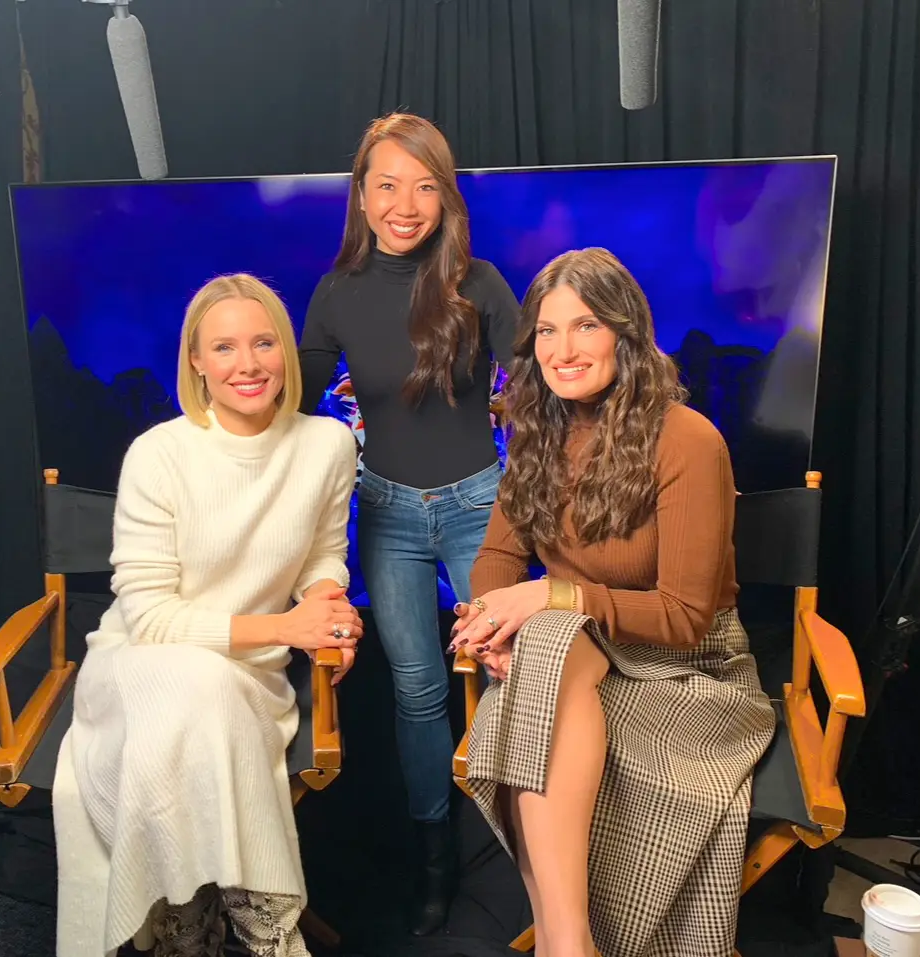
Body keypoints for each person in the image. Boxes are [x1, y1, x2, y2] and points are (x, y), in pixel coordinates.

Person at [450, 248, 777, 957]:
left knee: (541, 654)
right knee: (542, 644)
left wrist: (554, 593)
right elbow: (498, 560)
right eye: (546, 331)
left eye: (585, 326)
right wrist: (495, 626)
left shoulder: (688, 439)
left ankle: (562, 945)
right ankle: (570, 945)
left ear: (626, 333)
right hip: (579, 654)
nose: (562, 350)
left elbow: (686, 619)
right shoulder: (535, 432)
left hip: (688, 667)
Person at [55, 274, 362, 957]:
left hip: (249, 672)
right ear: (195, 360)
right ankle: (260, 925)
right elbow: (153, 618)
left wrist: (326, 608)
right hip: (139, 666)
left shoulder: (326, 446)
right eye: (223, 347)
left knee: (213, 696)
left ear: (285, 350)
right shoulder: (159, 454)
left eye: (262, 343)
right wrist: (289, 628)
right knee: (196, 692)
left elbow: (323, 555)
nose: (247, 364)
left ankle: (186, 925)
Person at [298, 112, 521, 935]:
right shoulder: (338, 292)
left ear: (446, 196)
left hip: (479, 508)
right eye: (387, 183)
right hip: (385, 511)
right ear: (361, 193)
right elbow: (286, 405)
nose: (406, 202)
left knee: (510, 674)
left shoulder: (481, 282)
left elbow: (542, 380)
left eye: (425, 185)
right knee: (419, 691)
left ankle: (518, 843)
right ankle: (435, 862)